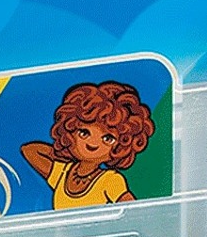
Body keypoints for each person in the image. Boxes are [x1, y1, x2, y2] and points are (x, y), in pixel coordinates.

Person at [21, 80, 155, 208]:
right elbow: (29, 150)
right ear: (70, 131)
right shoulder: (63, 173)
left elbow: (133, 210)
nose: (93, 143)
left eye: (107, 139)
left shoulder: (110, 180)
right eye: (84, 133)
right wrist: (63, 149)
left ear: (121, 146)